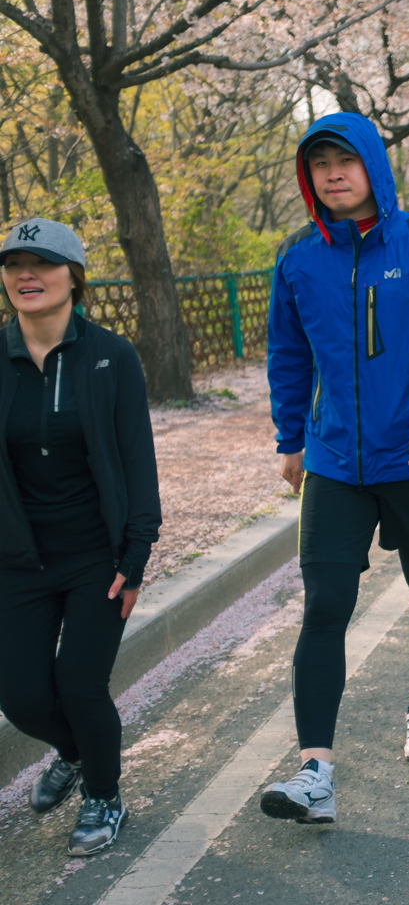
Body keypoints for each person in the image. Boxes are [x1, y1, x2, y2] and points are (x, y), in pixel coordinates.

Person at [262, 112, 409, 823]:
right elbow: (289, 355)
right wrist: (290, 439)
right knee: (325, 606)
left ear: (371, 166)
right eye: (319, 164)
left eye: (344, 160)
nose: (332, 174)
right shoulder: (298, 258)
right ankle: (313, 772)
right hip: (334, 460)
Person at [0, 219, 161, 857]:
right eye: (13, 264)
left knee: (79, 683)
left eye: (41, 263)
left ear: (75, 277)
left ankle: (103, 795)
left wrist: (137, 556)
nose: (24, 275)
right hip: (18, 558)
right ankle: (71, 750)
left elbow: (136, 460)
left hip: (98, 555)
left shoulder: (110, 356)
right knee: (20, 694)